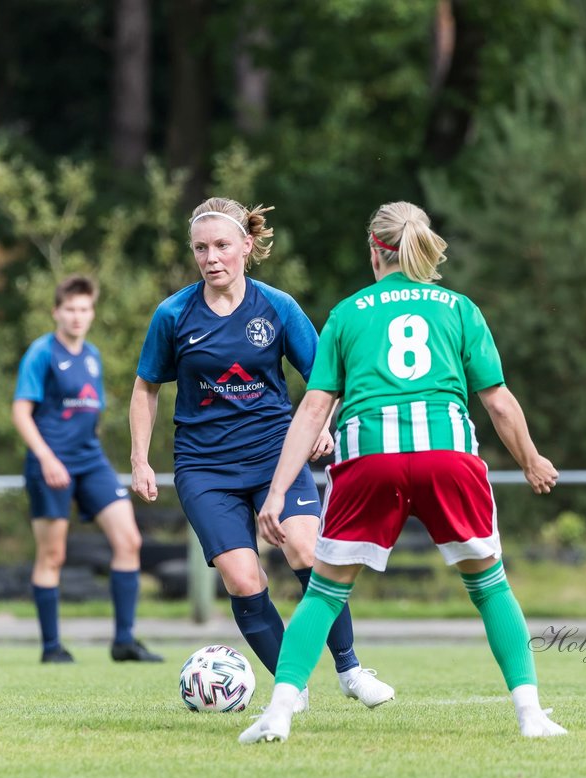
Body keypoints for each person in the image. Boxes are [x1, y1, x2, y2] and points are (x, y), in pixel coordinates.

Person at [240, 201, 566, 744]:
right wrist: (532, 459)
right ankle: (531, 715)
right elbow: (500, 402)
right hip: (447, 456)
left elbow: (315, 409)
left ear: (374, 248)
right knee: (489, 587)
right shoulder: (458, 308)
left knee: (324, 594)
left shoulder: (347, 313)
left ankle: (277, 713)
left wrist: (276, 493)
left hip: (371, 459)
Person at [130, 197, 392, 710]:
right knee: (243, 576)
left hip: (278, 453)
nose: (212, 257)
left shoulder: (277, 306)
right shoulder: (173, 314)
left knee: (307, 551)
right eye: (201, 248)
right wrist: (140, 458)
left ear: (247, 247)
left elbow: (325, 376)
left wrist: (326, 424)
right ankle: (291, 687)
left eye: (223, 246)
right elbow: (145, 388)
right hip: (205, 467)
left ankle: (351, 669)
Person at [12, 274, 161, 664]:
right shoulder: (41, 353)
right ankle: (51, 648)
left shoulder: (93, 355)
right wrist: (46, 458)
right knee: (53, 555)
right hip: (51, 463)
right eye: (70, 309)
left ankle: (125, 641)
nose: (78, 316)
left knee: (129, 540)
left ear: (92, 312)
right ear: (56, 312)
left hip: (90, 460)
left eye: (84, 309)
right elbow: (20, 412)